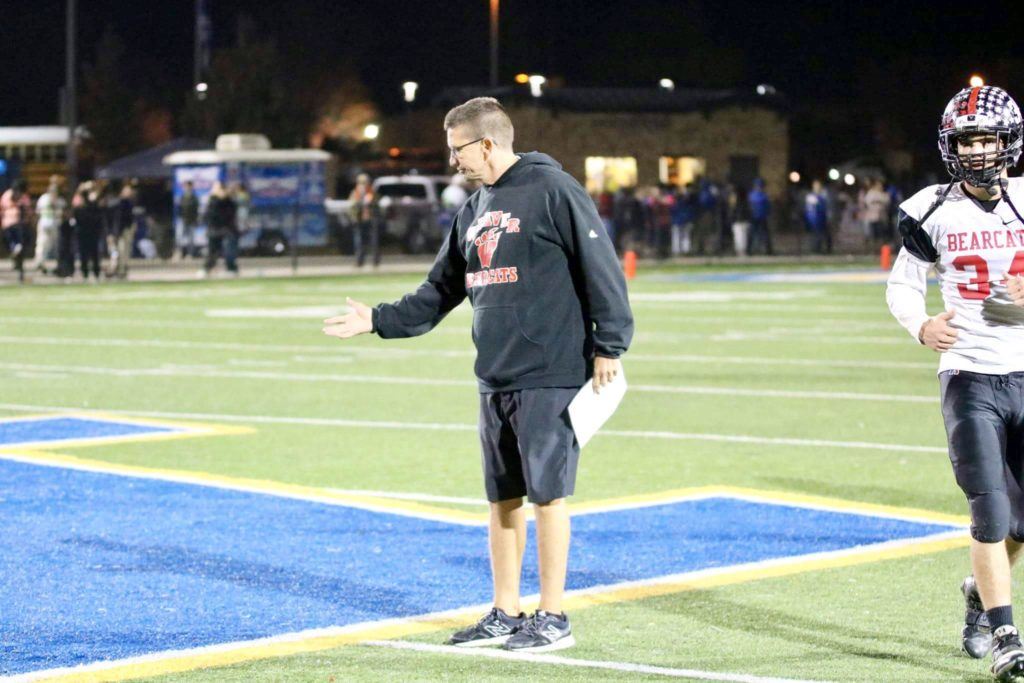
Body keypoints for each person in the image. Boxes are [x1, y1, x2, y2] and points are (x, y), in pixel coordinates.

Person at [323, 97, 634, 652]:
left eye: (456, 151)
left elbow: (601, 267)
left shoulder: (555, 190)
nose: (453, 163)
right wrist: (376, 319)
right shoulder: (473, 210)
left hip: (551, 371)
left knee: (548, 497)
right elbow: (439, 290)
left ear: (486, 144)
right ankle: (505, 611)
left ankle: (554, 615)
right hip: (495, 374)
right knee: (503, 499)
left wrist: (610, 344)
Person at [887, 84, 1024, 682]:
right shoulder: (929, 207)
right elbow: (903, 283)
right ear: (952, 146)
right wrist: (921, 325)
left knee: (1020, 524)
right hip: (969, 374)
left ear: (1008, 141)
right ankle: (1005, 634)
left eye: (987, 137)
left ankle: (978, 590)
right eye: (968, 139)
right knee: (989, 513)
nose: (978, 150)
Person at [202, 181, 239, 276]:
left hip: (227, 229)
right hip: (214, 229)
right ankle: (207, 269)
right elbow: (208, 215)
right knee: (212, 250)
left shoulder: (228, 201)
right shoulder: (212, 200)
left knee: (229, 250)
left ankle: (231, 269)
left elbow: (231, 213)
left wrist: (226, 197)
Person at [1, 179, 33, 281]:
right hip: (19, 224)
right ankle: (20, 271)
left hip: (7, 224)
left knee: (13, 245)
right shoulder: (23, 196)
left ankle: (14, 248)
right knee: (21, 249)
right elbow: (28, 210)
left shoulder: (6, 195)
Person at [33, 180, 65, 274]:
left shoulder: (60, 200)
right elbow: (38, 212)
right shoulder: (44, 198)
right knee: (43, 244)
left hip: (55, 225)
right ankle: (40, 263)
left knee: (54, 246)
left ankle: (58, 265)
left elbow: (63, 213)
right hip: (45, 224)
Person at [73, 182, 103, 282]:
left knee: (86, 254)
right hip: (89, 233)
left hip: (85, 233)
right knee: (92, 254)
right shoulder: (91, 205)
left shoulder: (83, 206)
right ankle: (94, 272)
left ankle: (87, 273)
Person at [348, 173, 379, 267]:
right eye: (361, 182)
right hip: (359, 221)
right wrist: (359, 202)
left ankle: (375, 261)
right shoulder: (355, 193)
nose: (363, 184)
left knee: (373, 241)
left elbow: (377, 206)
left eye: (365, 182)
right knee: (359, 242)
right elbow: (351, 207)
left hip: (370, 220)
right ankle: (359, 261)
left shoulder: (372, 193)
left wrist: (370, 202)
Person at [804, 179, 831, 254]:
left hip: (822, 218)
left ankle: (826, 249)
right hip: (813, 219)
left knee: (825, 234)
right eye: (816, 186)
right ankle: (816, 249)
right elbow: (808, 209)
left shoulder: (823, 196)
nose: (817, 187)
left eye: (818, 186)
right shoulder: (810, 196)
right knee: (815, 234)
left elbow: (825, 207)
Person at [747, 179, 773, 255]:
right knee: (759, 234)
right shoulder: (763, 196)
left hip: (757, 217)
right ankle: (767, 251)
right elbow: (768, 207)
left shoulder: (751, 195)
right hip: (759, 217)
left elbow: (768, 207)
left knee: (758, 235)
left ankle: (766, 250)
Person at [178, 181, 200, 259]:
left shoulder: (194, 197)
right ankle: (179, 253)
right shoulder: (182, 196)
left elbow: (196, 209)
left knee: (191, 239)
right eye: (185, 186)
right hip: (183, 219)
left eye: (188, 186)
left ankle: (190, 254)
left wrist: (196, 220)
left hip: (191, 220)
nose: (186, 188)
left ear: (191, 187)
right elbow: (179, 208)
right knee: (180, 237)